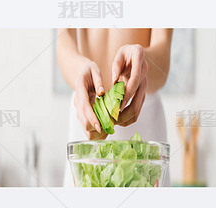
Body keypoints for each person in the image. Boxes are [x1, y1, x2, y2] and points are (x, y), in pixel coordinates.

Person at [56, 28, 173, 186]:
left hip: (141, 114)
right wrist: (80, 72)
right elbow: (64, 40)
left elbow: (163, 56)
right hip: (86, 110)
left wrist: (142, 63)